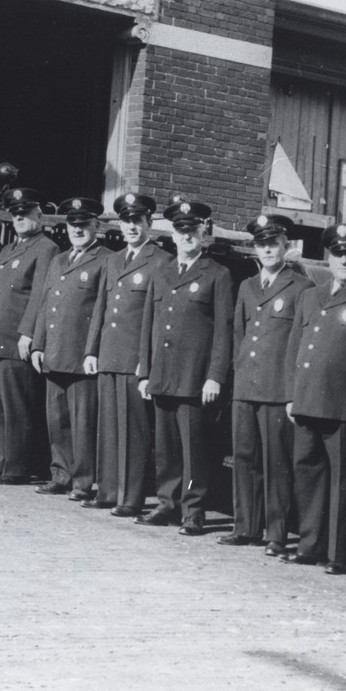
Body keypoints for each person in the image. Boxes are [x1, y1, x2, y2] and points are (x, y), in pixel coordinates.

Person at [283, 222, 346, 574]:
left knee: (343, 482)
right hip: (307, 401)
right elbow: (295, 348)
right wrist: (292, 396)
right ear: (329, 257)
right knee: (308, 476)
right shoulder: (311, 296)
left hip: (343, 406)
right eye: (338, 254)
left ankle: (338, 554)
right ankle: (310, 545)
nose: (344, 260)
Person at [136, 194, 233, 535]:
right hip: (163, 374)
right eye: (181, 230)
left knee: (194, 448)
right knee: (166, 447)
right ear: (173, 235)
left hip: (195, 378)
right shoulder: (160, 272)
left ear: (203, 234)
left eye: (193, 231)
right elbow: (149, 323)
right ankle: (167, 502)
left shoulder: (217, 275)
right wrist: (144, 371)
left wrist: (215, 377)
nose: (187, 236)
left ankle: (193, 509)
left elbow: (224, 332)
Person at [219, 213, 313, 556]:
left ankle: (276, 533)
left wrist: (292, 392)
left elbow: (302, 345)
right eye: (261, 244)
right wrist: (237, 379)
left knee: (276, 463)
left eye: (273, 243)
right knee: (244, 458)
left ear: (285, 246)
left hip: (277, 389)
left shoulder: (301, 287)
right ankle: (245, 526)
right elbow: (239, 336)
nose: (267, 249)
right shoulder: (246, 286)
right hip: (246, 386)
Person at [83, 192, 172, 517]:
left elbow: (158, 319)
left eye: (138, 220)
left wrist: (146, 363)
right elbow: (101, 309)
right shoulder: (112, 260)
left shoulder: (160, 261)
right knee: (107, 426)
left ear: (149, 223)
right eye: (127, 221)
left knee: (133, 431)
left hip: (135, 358)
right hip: (108, 353)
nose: (132, 226)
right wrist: (91, 349)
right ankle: (107, 491)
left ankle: (130, 497)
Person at [0, 187, 58, 485]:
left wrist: (28, 333)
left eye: (26, 213)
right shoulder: (8, 248)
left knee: (16, 408)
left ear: (39, 215)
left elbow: (39, 296)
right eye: (15, 214)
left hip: (13, 339)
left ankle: (17, 467)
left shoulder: (45, 248)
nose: (20, 218)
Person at [31, 197, 110, 501]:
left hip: (80, 355)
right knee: (58, 420)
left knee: (82, 423)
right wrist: (38, 344)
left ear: (96, 226)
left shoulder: (105, 259)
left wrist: (92, 351)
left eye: (84, 224)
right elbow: (45, 304)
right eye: (72, 224)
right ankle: (60, 474)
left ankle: (82, 481)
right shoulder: (58, 260)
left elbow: (101, 310)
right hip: (54, 352)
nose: (77, 229)